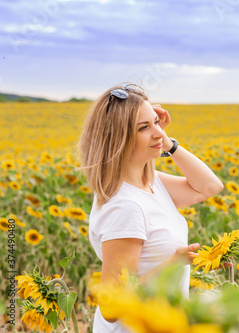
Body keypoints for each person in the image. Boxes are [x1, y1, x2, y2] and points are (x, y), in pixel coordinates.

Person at [77, 83, 224, 332]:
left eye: (157, 122)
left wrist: (169, 145)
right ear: (118, 139)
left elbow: (209, 187)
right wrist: (171, 266)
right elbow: (111, 307)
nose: (157, 132)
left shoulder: (150, 183)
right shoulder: (126, 207)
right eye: (144, 127)